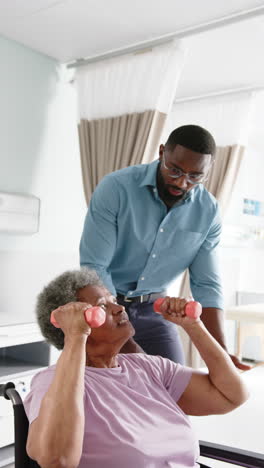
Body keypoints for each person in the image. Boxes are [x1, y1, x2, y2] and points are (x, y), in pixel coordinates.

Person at [24, 268, 249, 468]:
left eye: (113, 299)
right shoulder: (53, 381)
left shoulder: (150, 367)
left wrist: (194, 326)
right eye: (103, 306)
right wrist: (75, 336)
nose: (119, 307)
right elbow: (57, 460)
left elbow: (232, 396)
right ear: (76, 322)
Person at [79, 124, 250, 370]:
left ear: (208, 172)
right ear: (161, 153)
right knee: (114, 391)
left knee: (175, 390)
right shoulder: (116, 188)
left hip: (154, 310)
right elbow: (95, 266)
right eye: (175, 169)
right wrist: (124, 339)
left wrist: (221, 351)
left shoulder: (208, 211)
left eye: (195, 176)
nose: (181, 182)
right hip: (107, 307)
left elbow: (206, 284)